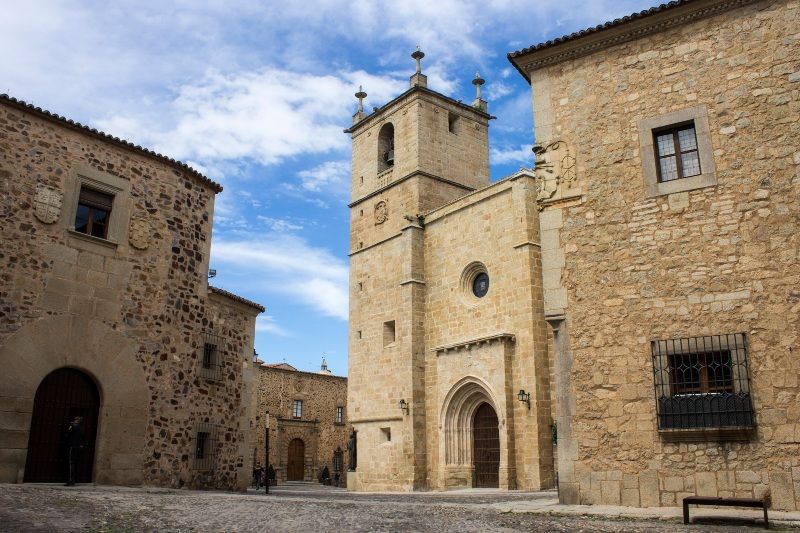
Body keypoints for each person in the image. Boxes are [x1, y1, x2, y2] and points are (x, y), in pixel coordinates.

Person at [64, 416, 84, 486]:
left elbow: (67, 434)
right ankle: (76, 479)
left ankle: (71, 480)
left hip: (73, 446)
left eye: (75, 420)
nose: (74, 420)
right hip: (79, 447)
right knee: (76, 463)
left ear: (77, 421)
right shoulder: (82, 428)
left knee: (71, 463)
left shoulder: (73, 427)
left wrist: (70, 427)